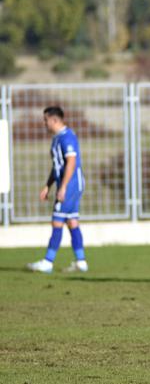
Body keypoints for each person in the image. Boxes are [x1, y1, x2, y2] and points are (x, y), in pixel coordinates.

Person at [27, 106, 88, 274]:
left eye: (45, 120)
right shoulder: (57, 138)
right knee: (72, 222)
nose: (44, 124)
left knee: (57, 221)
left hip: (71, 185)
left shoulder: (67, 137)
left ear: (54, 120)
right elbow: (58, 166)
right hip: (69, 184)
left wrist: (63, 187)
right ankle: (81, 261)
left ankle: (48, 262)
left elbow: (71, 163)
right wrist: (48, 185)